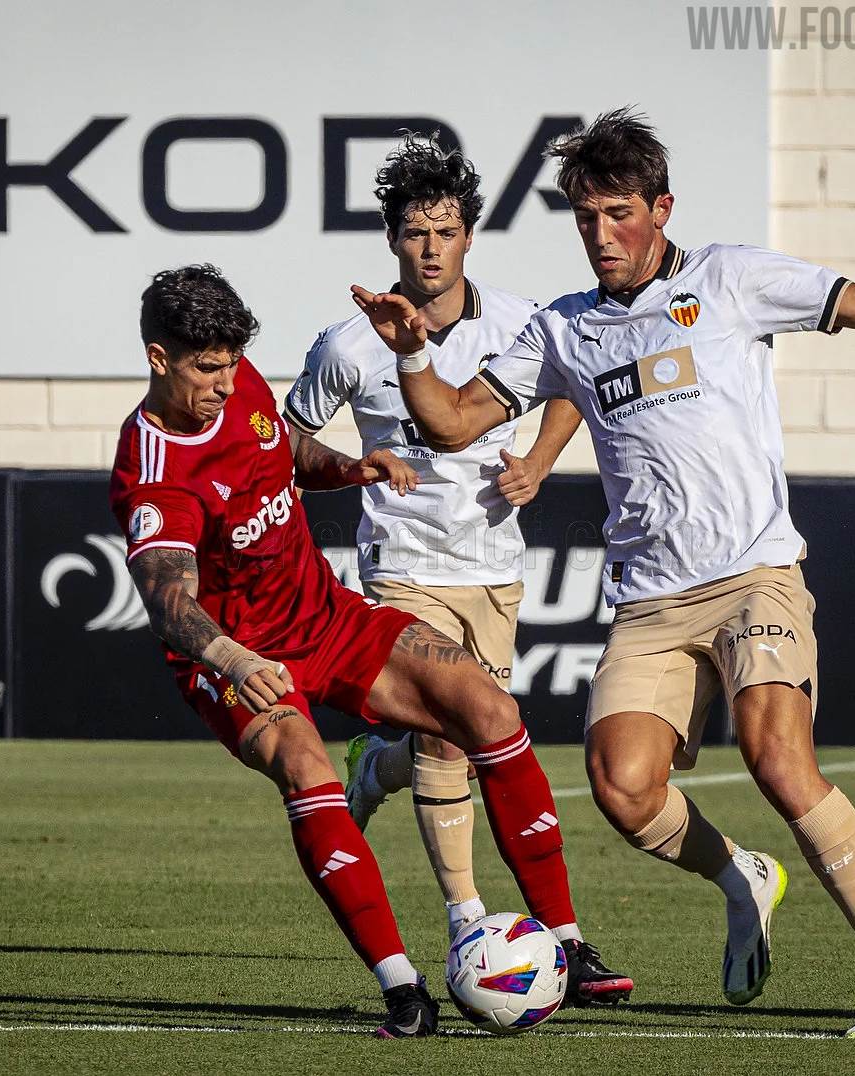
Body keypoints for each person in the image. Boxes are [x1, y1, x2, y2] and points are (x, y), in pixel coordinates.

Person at [351, 108, 855, 1039]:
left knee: (779, 759)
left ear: (662, 207)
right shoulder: (564, 330)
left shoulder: (732, 280)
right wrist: (411, 348)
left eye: (617, 212)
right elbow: (454, 422)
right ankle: (739, 874)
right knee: (621, 787)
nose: (600, 235)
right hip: (652, 603)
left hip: (755, 576)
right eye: (584, 217)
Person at [109, 264, 630, 1038]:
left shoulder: (239, 381)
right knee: (305, 766)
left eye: (229, 365)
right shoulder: (153, 473)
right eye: (205, 368)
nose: (224, 383)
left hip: (325, 617)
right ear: (160, 359)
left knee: (488, 708)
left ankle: (563, 940)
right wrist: (235, 662)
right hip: (237, 660)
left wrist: (350, 468)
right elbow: (166, 601)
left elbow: (281, 446)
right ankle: (402, 990)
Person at [285, 134, 585, 944]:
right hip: (403, 564)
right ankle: (468, 922)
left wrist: (541, 461)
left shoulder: (522, 321)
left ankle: (374, 766)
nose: (429, 248)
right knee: (446, 740)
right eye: (414, 233)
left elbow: (574, 383)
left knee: (468, 735)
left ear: (469, 238)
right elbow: (284, 441)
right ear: (391, 239)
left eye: (444, 232)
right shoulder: (347, 342)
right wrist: (356, 467)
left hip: (492, 562)